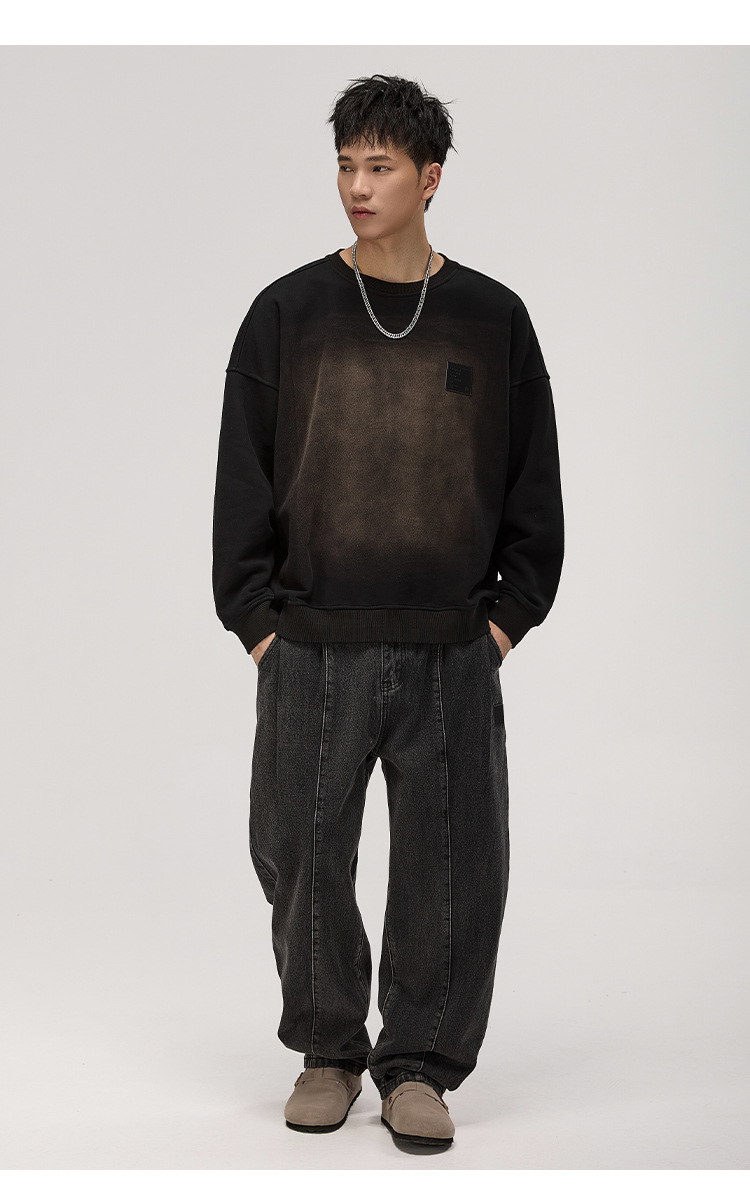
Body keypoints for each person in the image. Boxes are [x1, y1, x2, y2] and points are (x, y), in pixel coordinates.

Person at [212, 73, 564, 1150]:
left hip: (452, 646)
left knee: (454, 869)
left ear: (431, 177)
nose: (357, 186)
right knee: (300, 854)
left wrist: (500, 622)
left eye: (380, 166)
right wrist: (259, 624)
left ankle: (419, 1065)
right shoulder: (287, 312)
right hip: (311, 644)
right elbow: (241, 479)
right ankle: (328, 1050)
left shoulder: (493, 317)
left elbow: (534, 489)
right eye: (345, 165)